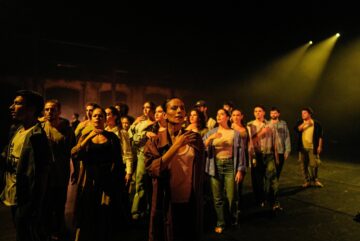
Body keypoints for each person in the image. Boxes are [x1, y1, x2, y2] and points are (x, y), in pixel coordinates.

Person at [144, 97, 205, 241]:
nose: (179, 111)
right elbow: (153, 169)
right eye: (174, 108)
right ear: (164, 115)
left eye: (182, 108)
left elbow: (200, 169)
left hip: (190, 201)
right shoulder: (155, 141)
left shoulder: (194, 138)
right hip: (166, 202)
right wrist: (176, 145)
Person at [0, 90, 52, 241]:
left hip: (26, 198)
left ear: (32, 109)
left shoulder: (37, 137)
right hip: (13, 193)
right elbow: (7, 157)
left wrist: (35, 205)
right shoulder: (17, 130)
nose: (11, 107)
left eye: (17, 103)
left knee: (25, 234)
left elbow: (42, 173)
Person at [71, 107, 124, 241]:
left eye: (101, 116)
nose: (97, 118)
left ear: (105, 119)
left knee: (105, 213)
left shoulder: (112, 137)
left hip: (107, 179)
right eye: (95, 116)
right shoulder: (85, 136)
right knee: (88, 211)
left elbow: (117, 160)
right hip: (89, 179)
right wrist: (89, 136)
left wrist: (117, 182)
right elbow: (75, 154)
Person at [203, 108, 246, 233]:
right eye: (217, 114)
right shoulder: (212, 132)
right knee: (217, 198)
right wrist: (210, 138)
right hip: (215, 166)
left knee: (232, 197)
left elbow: (241, 152)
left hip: (230, 166)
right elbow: (201, 147)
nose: (218, 116)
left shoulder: (235, 133)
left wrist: (240, 170)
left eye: (222, 114)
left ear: (228, 117)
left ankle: (233, 219)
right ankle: (220, 222)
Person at [41, 99, 75, 240]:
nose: (50, 112)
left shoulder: (67, 129)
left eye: (53, 109)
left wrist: (76, 170)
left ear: (59, 112)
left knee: (59, 202)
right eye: (47, 109)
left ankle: (59, 230)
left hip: (61, 172)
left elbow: (73, 151)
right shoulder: (40, 127)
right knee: (45, 203)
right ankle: (46, 230)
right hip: (43, 173)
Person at [247, 105, 281, 211]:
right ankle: (260, 199)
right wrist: (263, 132)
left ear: (264, 113)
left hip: (269, 154)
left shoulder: (271, 125)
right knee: (258, 180)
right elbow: (251, 141)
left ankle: (274, 201)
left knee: (272, 178)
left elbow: (275, 141)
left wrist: (277, 157)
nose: (257, 113)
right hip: (257, 155)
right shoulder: (250, 125)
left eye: (259, 111)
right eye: (255, 111)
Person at [128, 101, 156, 220]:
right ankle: (136, 210)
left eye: (148, 108)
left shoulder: (156, 123)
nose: (145, 110)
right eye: (144, 107)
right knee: (140, 182)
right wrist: (136, 126)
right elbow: (131, 136)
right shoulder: (140, 122)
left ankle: (149, 210)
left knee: (151, 184)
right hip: (141, 154)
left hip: (153, 155)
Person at [294, 107, 324, 188]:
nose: (303, 115)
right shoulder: (300, 122)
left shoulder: (317, 124)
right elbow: (297, 129)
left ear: (309, 114)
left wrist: (319, 146)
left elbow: (320, 136)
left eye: (305, 113)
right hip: (302, 147)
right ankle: (307, 181)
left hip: (312, 147)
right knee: (303, 165)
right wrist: (306, 123)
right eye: (302, 113)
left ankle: (315, 180)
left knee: (314, 165)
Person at [269, 107, 291, 179]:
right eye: (272, 113)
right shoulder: (267, 123)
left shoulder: (283, 124)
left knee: (278, 170)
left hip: (280, 151)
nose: (273, 114)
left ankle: (275, 187)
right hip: (269, 151)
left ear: (278, 114)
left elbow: (287, 137)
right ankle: (268, 188)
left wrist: (287, 150)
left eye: (275, 113)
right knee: (269, 171)